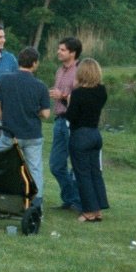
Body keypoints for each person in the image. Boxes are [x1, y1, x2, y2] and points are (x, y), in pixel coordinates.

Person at [0, 47, 51, 199]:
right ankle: (36, 205)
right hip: (32, 135)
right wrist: (34, 111)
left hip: (10, 134)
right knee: (34, 169)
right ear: (35, 63)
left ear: (19, 61)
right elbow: (46, 114)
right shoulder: (41, 86)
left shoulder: (4, 79)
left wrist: (4, 119)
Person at [66, 58, 108, 222]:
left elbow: (72, 117)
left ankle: (89, 210)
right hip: (95, 134)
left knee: (82, 174)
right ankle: (98, 208)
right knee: (95, 172)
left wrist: (68, 102)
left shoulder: (78, 94)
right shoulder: (101, 91)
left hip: (81, 135)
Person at [47, 36, 82, 211]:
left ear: (73, 53)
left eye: (62, 50)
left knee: (76, 163)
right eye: (59, 49)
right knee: (56, 164)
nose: (58, 52)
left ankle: (75, 201)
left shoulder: (80, 72)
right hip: (59, 121)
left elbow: (82, 99)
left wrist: (62, 96)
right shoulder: (59, 71)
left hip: (73, 122)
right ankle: (71, 198)